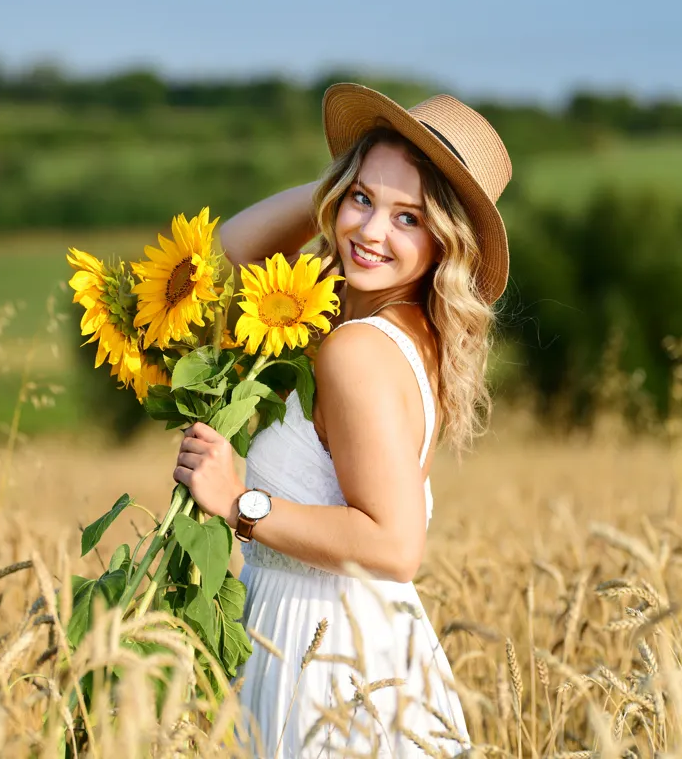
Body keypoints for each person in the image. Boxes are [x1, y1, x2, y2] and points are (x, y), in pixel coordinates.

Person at [170, 83, 512, 757]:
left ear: (447, 241)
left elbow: (394, 545)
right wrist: (338, 184)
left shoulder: (357, 350)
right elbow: (223, 260)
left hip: (328, 665)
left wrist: (240, 503)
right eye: (363, 199)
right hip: (336, 646)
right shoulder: (398, 330)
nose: (371, 232)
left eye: (409, 218)